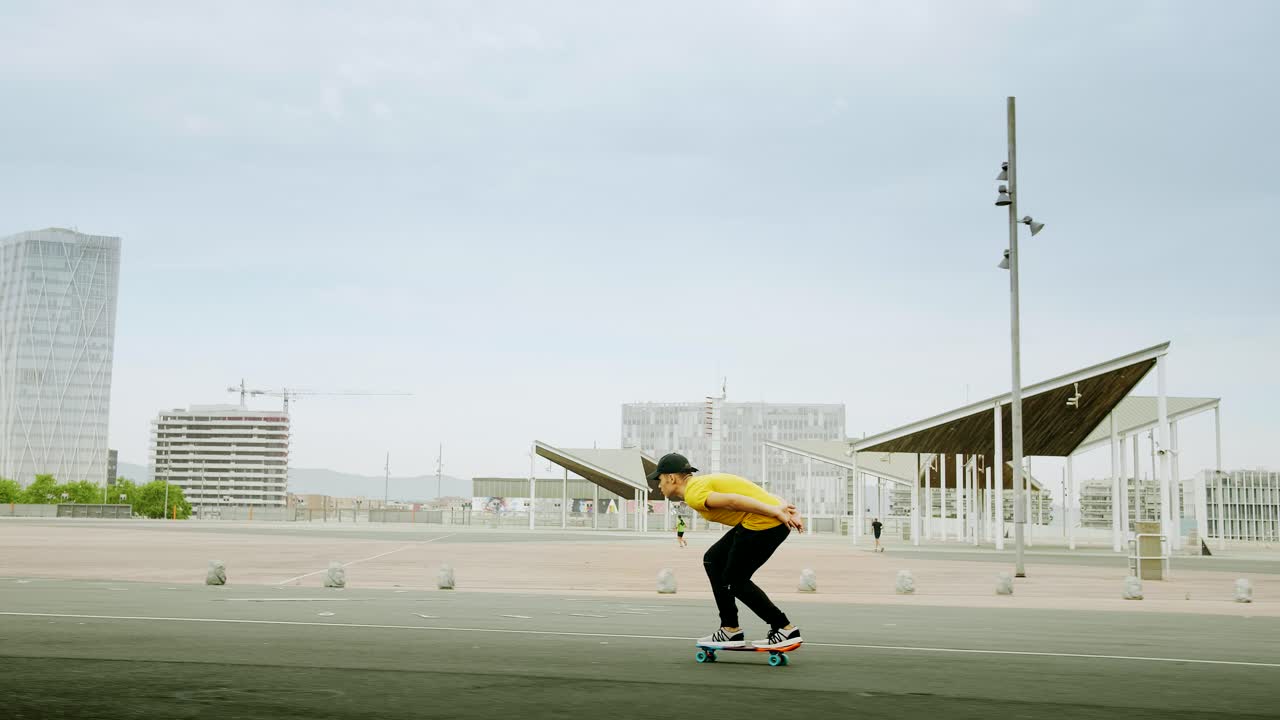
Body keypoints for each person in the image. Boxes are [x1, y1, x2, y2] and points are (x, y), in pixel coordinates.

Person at [649, 452, 804, 650]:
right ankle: (730, 629)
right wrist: (788, 510)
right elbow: (763, 494)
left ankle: (784, 628)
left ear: (671, 477)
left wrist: (775, 511)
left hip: (764, 523)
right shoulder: (702, 483)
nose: (658, 484)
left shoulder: (694, 493)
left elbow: (734, 501)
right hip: (761, 521)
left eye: (659, 479)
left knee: (735, 581)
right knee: (713, 559)